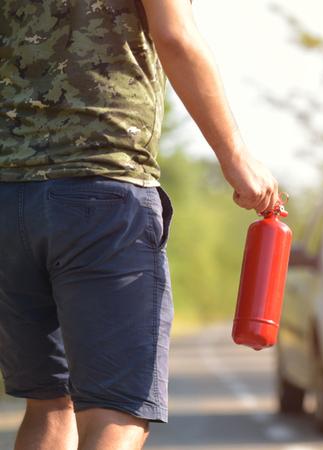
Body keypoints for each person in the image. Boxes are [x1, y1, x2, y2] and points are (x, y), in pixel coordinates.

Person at [0, 1, 279, 449]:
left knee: (49, 404)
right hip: (101, 191)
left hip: (9, 196)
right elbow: (174, 36)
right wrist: (236, 157)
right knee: (117, 408)